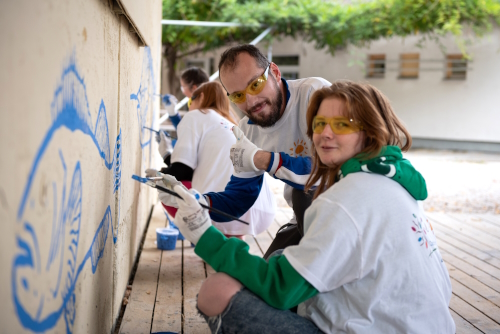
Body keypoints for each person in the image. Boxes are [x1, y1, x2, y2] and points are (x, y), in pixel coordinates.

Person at [168, 81, 456, 333]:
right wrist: (203, 201)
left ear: (369, 131)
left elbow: (280, 289)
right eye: (319, 124)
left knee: (216, 290)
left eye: (342, 124)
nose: (325, 134)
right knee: (282, 254)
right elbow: (239, 196)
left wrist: (202, 233)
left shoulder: (344, 199)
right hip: (421, 323)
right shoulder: (393, 180)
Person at [193, 44, 331, 258]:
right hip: (303, 219)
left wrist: (266, 159)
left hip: (346, 209)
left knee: (304, 195)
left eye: (256, 85)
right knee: (263, 283)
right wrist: (199, 202)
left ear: (275, 72)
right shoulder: (246, 130)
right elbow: (240, 197)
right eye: (237, 96)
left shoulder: (315, 94)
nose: (251, 101)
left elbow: (332, 170)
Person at [149, 81, 276, 238]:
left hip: (222, 208)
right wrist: (168, 157)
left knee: (167, 188)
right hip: (259, 208)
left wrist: (161, 170)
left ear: (201, 97)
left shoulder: (196, 115)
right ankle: (232, 244)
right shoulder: (231, 123)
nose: (189, 105)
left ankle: (211, 241)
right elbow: (200, 168)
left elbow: (182, 172)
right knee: (231, 243)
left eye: (191, 100)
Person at [158, 67, 210, 163]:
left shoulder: (204, 110)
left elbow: (192, 140)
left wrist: (170, 150)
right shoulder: (205, 103)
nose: (182, 92)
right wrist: (172, 113)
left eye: (183, 87)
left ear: (194, 88)